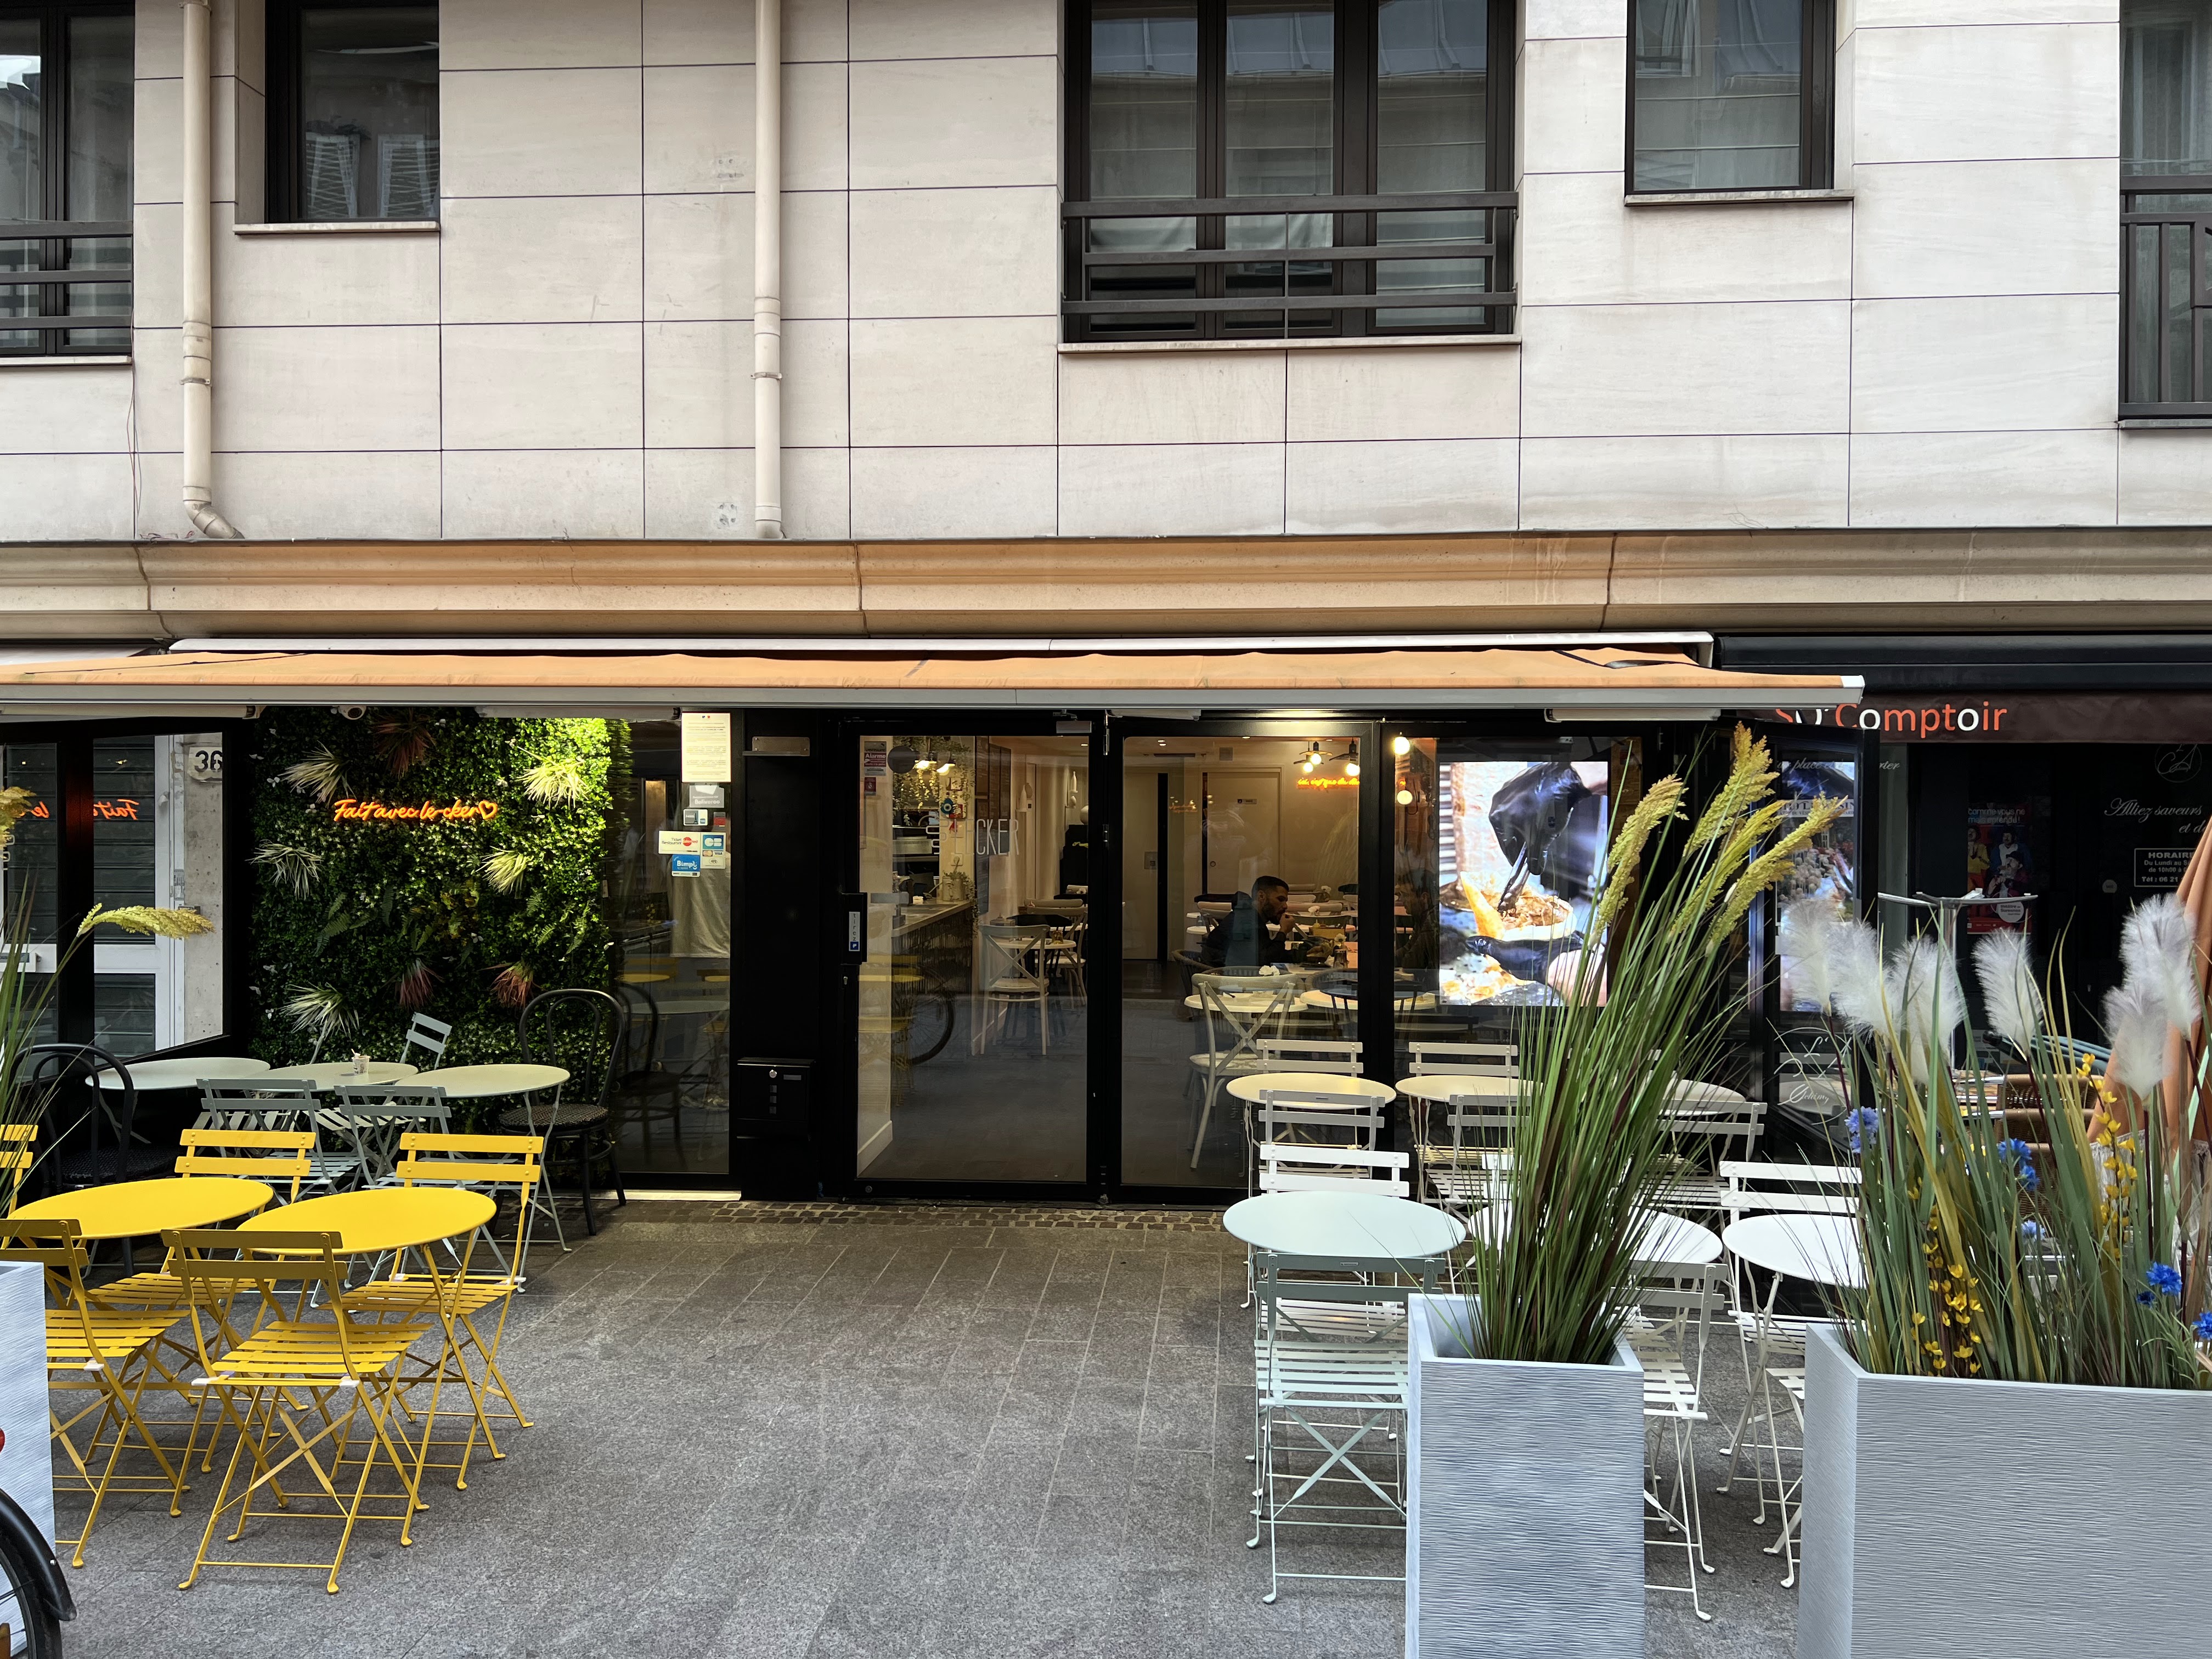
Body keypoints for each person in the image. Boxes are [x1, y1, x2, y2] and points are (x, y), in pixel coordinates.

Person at [1201, 875, 1302, 967]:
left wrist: (1304, 954)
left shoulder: (1249, 916)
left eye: (1286, 901)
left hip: (1228, 977)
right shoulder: (1246, 921)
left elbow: (1268, 954)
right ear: (1261, 897)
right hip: (1220, 979)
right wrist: (1283, 932)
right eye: (1280, 900)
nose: (1285, 906)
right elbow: (1265, 961)